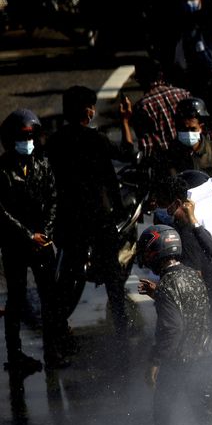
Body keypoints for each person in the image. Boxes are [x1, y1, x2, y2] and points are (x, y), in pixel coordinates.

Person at [46, 87, 136, 344]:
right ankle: (121, 326)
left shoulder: (54, 142)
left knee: (67, 276)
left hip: (68, 220)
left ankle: (58, 330)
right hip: (99, 219)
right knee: (112, 276)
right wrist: (126, 121)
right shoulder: (96, 140)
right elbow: (126, 155)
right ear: (88, 111)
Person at [136, 225, 211, 425]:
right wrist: (158, 294)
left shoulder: (168, 284)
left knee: (164, 417)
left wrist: (155, 361)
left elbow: (173, 328)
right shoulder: (192, 275)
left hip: (180, 363)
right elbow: (187, 307)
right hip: (205, 358)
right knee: (203, 417)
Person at [0, 110, 66, 375]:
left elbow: (53, 199)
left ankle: (53, 351)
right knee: (16, 299)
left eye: (31, 136)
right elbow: (1, 211)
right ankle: (14, 355)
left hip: (42, 243)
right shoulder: (2, 169)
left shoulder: (43, 164)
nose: (28, 141)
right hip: (16, 244)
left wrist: (46, 233)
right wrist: (28, 235)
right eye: (23, 136)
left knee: (50, 299)